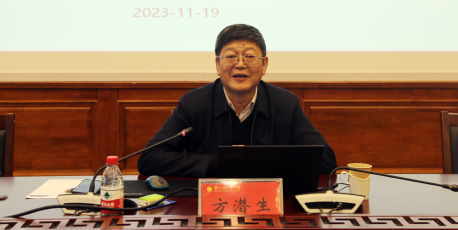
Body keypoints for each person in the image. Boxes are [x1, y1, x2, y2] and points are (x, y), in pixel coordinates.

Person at [137, 24, 337, 177]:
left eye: (249, 56)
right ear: (218, 64)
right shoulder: (194, 103)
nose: (240, 64)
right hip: (209, 204)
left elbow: (326, 159)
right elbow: (150, 158)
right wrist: (220, 163)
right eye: (231, 56)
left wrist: (254, 162)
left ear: (264, 65)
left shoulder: (285, 104)